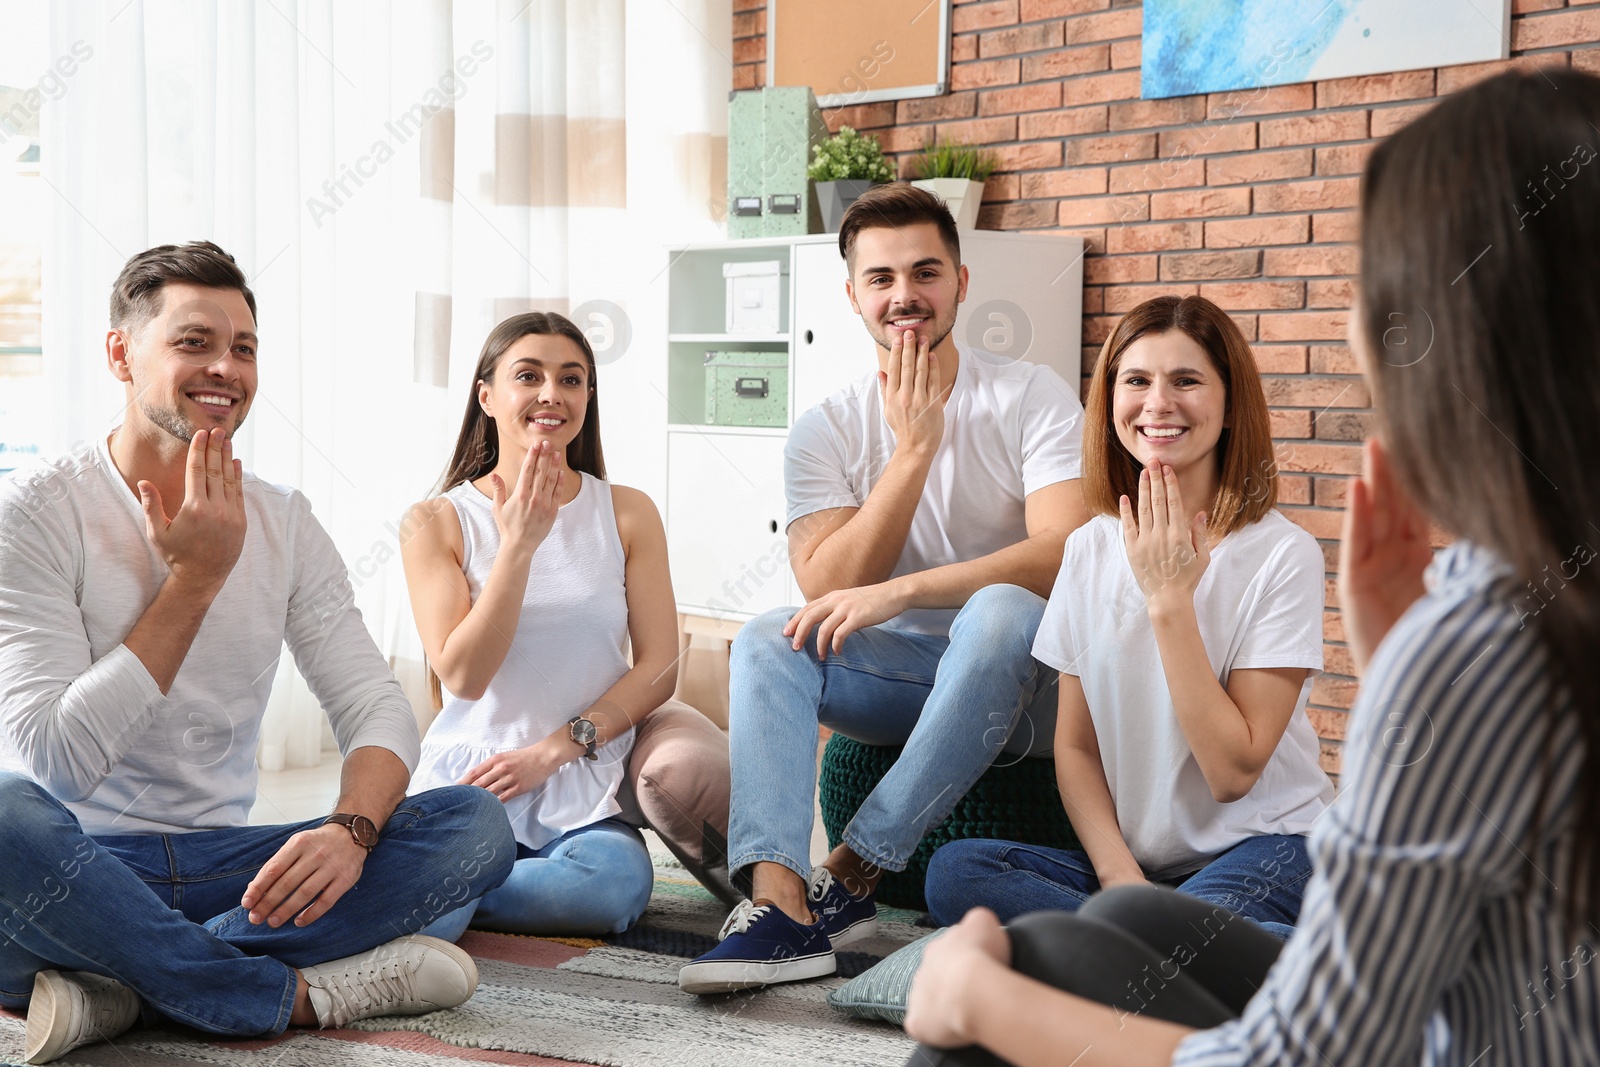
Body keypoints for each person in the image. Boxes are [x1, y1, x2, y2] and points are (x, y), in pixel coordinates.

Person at [902, 68, 1600, 1066]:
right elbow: (1077, 750)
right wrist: (1393, 650)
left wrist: (977, 998)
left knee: (1013, 975)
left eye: (1379, 285)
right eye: (1134, 381)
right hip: (1189, 885)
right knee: (1024, 903)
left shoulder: (1437, 611)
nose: (1362, 323)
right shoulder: (1483, 611)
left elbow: (1298, 1046)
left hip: (1256, 857)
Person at [0, 242, 515, 1065]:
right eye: (195, 341)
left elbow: (374, 702)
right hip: (74, 860)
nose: (225, 367)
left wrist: (349, 828)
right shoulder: (36, 512)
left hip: (233, 867)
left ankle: (127, 982)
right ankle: (285, 992)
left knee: (474, 828)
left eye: (243, 347)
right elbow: (58, 763)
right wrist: (194, 582)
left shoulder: (284, 520)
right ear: (120, 353)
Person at [680, 183, 1091, 995]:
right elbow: (826, 585)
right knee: (772, 633)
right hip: (903, 680)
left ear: (962, 283)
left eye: (925, 272)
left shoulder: (1031, 394)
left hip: (1031, 688)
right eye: (882, 278)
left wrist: (906, 592)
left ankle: (854, 868)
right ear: (854, 296)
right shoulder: (826, 427)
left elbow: (1063, 554)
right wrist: (912, 452)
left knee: (1003, 609)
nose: (905, 294)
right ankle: (780, 906)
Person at [923, 295, 1330, 939]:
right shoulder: (1089, 546)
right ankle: (1162, 952)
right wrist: (1119, 878)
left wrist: (1169, 598)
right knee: (958, 873)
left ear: (1230, 408)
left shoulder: (1282, 555)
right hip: (1147, 870)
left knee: (1194, 926)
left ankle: (1127, 954)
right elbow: (1076, 747)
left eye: (1187, 381)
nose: (1158, 403)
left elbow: (1231, 773)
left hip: (1273, 849)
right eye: (1136, 381)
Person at [402, 312, 678, 939]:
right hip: (471, 782)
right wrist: (517, 548)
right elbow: (464, 676)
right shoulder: (435, 522)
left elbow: (660, 666)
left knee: (610, 891)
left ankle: (435, 893)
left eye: (572, 379)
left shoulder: (628, 512)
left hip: (578, 775)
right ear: (487, 395)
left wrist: (554, 750)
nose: (552, 393)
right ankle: (428, 894)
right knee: (432, 914)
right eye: (528, 376)